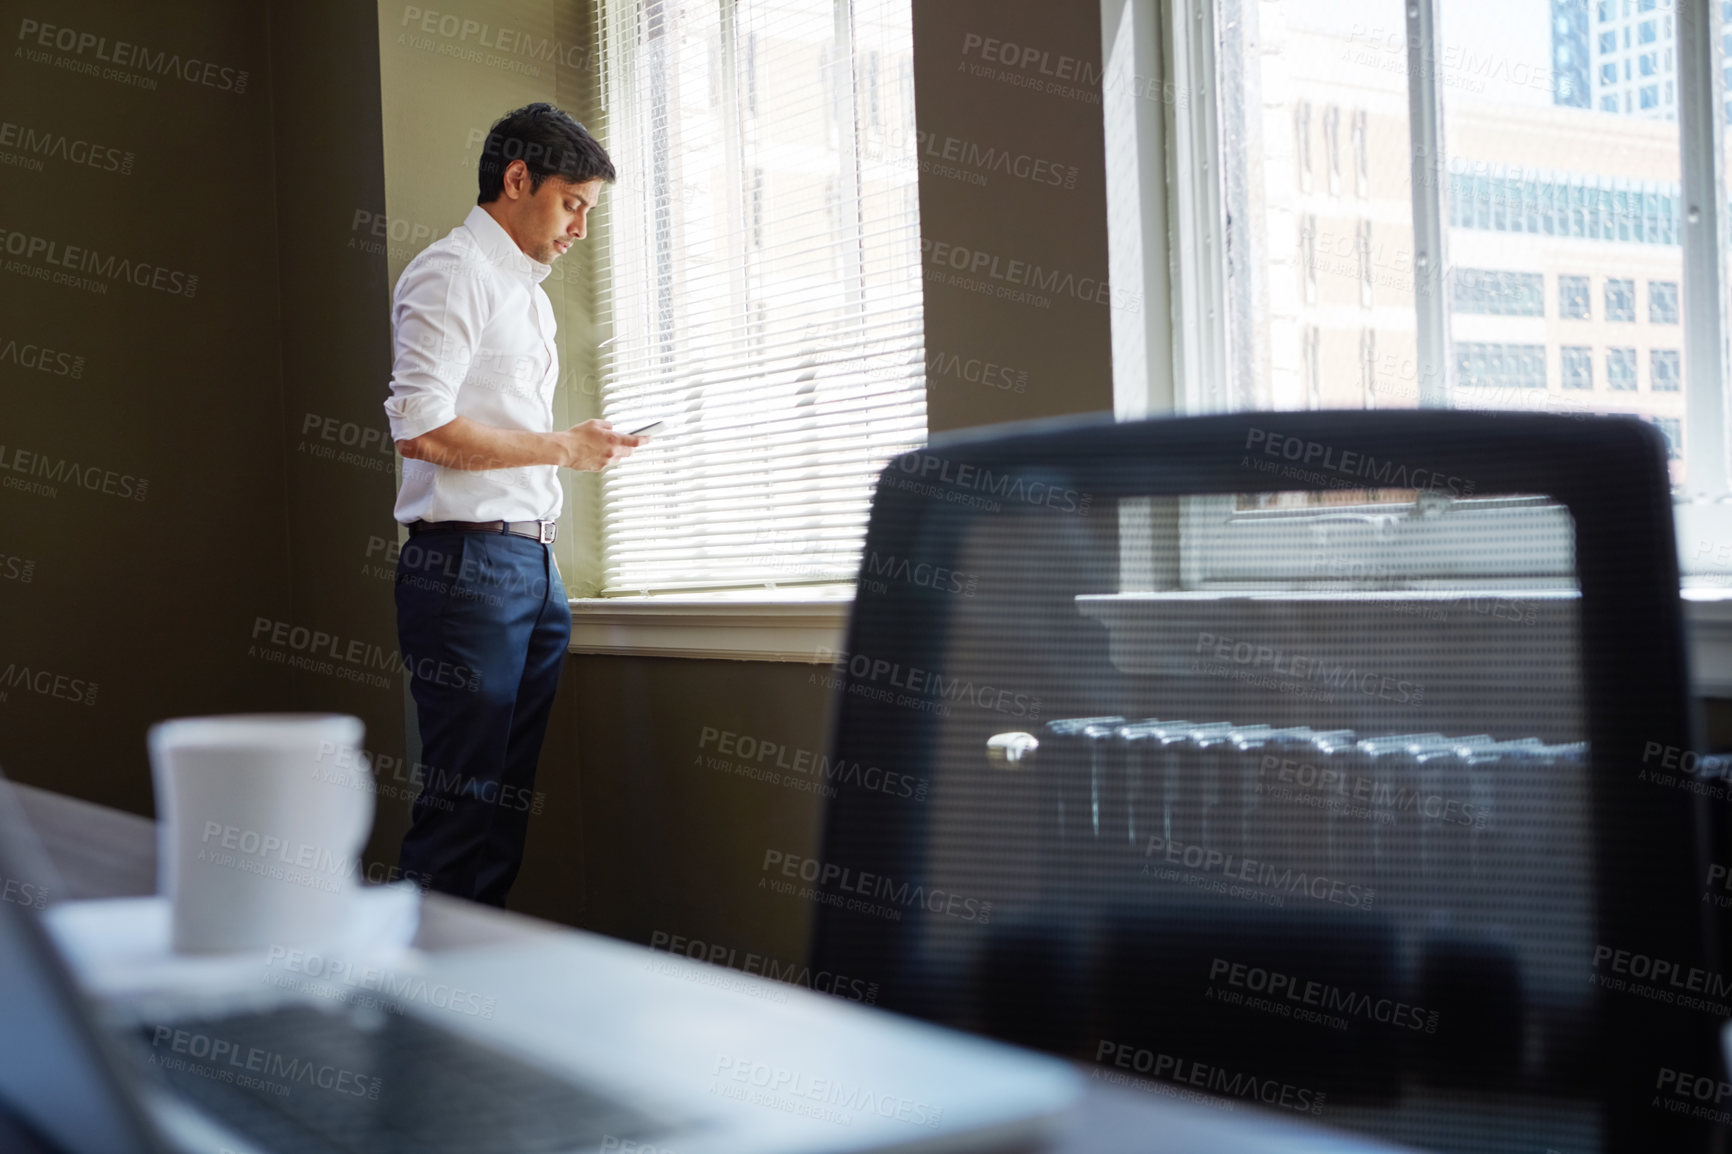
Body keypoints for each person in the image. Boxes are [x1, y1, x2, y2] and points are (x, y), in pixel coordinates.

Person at [383, 103, 640, 906]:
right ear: (518, 178)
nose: (579, 230)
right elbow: (420, 428)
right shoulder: (454, 270)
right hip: (467, 567)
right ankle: (411, 1003)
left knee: (502, 807)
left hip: (530, 563)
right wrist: (565, 446)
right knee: (462, 804)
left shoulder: (523, 289)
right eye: (573, 204)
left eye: (589, 212)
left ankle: (469, 991)